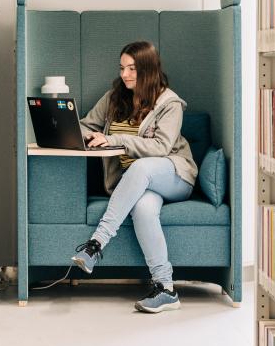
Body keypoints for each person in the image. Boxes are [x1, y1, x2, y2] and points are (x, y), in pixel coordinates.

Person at [70, 40, 198, 313]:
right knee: (143, 210)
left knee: (140, 167)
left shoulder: (169, 103)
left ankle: (96, 243)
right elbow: (83, 125)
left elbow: (161, 147)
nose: (125, 74)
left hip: (174, 174)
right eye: (122, 68)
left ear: (148, 70)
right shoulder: (114, 98)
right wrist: (89, 136)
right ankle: (166, 288)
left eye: (132, 69)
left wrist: (114, 140)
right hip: (138, 185)